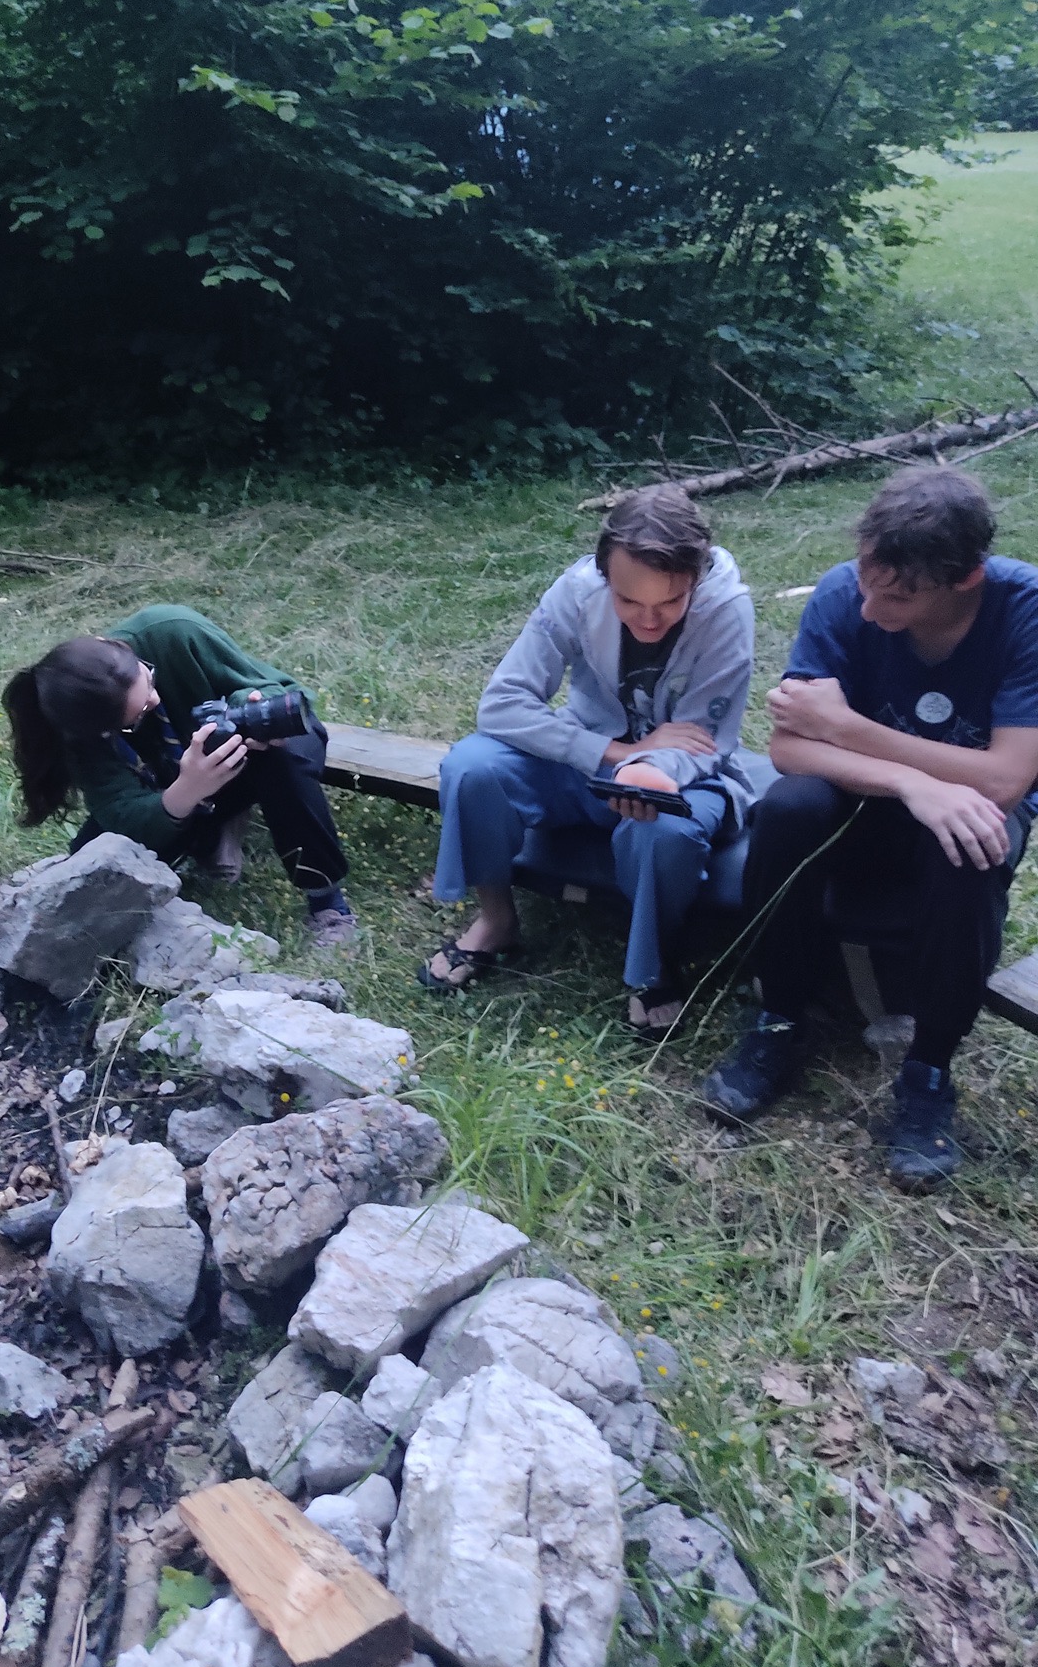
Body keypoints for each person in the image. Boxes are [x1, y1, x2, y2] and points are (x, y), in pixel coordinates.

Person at [702, 466, 1038, 1188]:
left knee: (972, 842)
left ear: (967, 578)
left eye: (899, 596)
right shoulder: (841, 595)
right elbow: (790, 749)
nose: (869, 606)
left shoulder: (1024, 609)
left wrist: (848, 728)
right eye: (866, 581)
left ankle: (928, 1069)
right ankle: (778, 1019)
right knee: (788, 808)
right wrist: (914, 782)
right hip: (864, 799)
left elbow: (1007, 778)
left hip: (972, 807)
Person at [421, 485, 764, 1032]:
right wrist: (615, 752)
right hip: (589, 759)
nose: (649, 621)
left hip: (687, 774)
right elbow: (502, 704)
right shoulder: (577, 591)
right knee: (472, 765)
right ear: (604, 576)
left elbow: (704, 739)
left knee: (663, 833)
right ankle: (497, 920)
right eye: (629, 602)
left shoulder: (727, 608)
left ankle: (653, 964)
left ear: (696, 579)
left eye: (670, 602)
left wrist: (646, 772)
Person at [2, 604, 357, 944]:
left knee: (286, 754)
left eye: (149, 680)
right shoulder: (77, 730)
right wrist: (186, 791)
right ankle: (213, 833)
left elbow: (270, 687)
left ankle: (327, 902)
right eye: (138, 716)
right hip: (174, 785)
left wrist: (250, 710)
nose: (155, 701)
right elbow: (121, 812)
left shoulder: (170, 631)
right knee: (93, 858)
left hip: (250, 754)